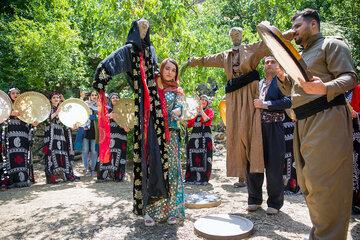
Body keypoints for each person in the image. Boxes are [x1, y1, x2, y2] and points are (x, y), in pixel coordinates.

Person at [276, 8, 357, 239]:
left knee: (325, 182)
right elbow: (292, 90)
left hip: (327, 118)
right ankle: (321, 232)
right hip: (302, 121)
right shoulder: (299, 57)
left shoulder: (331, 45)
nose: (293, 32)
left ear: (314, 25)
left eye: (297, 27)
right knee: (307, 183)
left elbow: (349, 77)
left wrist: (326, 88)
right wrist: (283, 78)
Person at [93, 19, 170, 216]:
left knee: (157, 148)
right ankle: (143, 199)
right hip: (141, 104)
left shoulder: (151, 50)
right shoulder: (128, 51)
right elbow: (106, 65)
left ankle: (158, 194)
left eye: (147, 28)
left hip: (155, 105)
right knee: (142, 149)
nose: (144, 30)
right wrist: (100, 83)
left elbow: (158, 75)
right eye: (141, 27)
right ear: (135, 30)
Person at [187, 27, 272, 186]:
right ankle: (241, 175)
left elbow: (270, 42)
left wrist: (290, 35)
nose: (235, 37)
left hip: (248, 93)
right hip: (233, 95)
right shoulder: (225, 55)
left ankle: (253, 173)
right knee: (236, 133)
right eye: (232, 35)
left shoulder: (251, 48)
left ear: (242, 35)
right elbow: (208, 59)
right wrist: (195, 61)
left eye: (237, 34)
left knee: (249, 131)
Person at [246, 55, 291, 215]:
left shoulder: (283, 83)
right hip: (256, 128)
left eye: (273, 62)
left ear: (278, 65)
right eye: (267, 62)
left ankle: (274, 202)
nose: (269, 64)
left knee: (274, 165)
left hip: (274, 128)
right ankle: (254, 199)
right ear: (263, 66)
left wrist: (266, 104)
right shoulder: (257, 84)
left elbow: (289, 101)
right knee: (253, 163)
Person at [144, 58, 185, 226]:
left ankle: (172, 210)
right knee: (154, 170)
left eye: (173, 70)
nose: (169, 72)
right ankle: (151, 211)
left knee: (172, 172)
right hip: (154, 136)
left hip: (171, 138)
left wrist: (177, 112)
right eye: (167, 68)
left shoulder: (178, 92)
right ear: (161, 69)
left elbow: (180, 110)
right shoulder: (152, 88)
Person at [3, 87, 39, 188]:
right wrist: (9, 113)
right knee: (11, 155)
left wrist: (34, 123)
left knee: (23, 154)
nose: (15, 95)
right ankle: (12, 180)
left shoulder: (25, 107)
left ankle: (23, 178)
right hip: (10, 134)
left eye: (17, 93)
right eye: (13, 93)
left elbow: (31, 120)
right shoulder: (5, 107)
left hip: (23, 133)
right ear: (9, 95)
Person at [43, 92, 80, 184]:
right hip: (51, 134)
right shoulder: (48, 109)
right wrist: (56, 113)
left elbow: (66, 122)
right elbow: (45, 120)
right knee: (52, 154)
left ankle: (63, 174)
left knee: (61, 154)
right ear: (50, 100)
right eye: (54, 98)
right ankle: (52, 177)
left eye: (57, 98)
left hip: (61, 134)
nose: (56, 99)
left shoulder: (62, 109)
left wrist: (72, 127)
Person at [96, 93, 129, 182]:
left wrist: (127, 127)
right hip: (108, 136)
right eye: (113, 97)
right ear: (110, 100)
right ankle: (104, 175)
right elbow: (99, 119)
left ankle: (118, 175)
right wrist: (110, 116)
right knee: (107, 153)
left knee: (119, 154)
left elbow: (129, 123)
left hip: (121, 136)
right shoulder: (106, 109)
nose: (115, 99)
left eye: (117, 97)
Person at [181, 95, 214, 185]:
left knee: (205, 157)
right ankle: (191, 178)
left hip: (205, 138)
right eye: (201, 100)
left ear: (207, 103)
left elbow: (207, 120)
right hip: (194, 137)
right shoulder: (194, 113)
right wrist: (179, 118)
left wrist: (201, 111)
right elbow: (189, 124)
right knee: (192, 156)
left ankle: (203, 179)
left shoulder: (209, 111)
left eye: (205, 100)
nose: (203, 102)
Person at [75, 90, 99, 175]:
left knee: (94, 150)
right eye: (92, 95)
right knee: (85, 150)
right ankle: (86, 168)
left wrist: (94, 117)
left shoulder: (99, 106)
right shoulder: (85, 104)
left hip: (95, 131)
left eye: (96, 95)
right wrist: (94, 116)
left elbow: (101, 117)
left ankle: (92, 168)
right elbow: (81, 112)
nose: (94, 97)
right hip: (85, 130)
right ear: (90, 96)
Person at [345, 84, 360, 214]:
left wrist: (357, 114)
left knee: (357, 168)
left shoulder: (358, 89)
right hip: (343, 136)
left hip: (357, 135)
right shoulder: (337, 92)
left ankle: (357, 202)